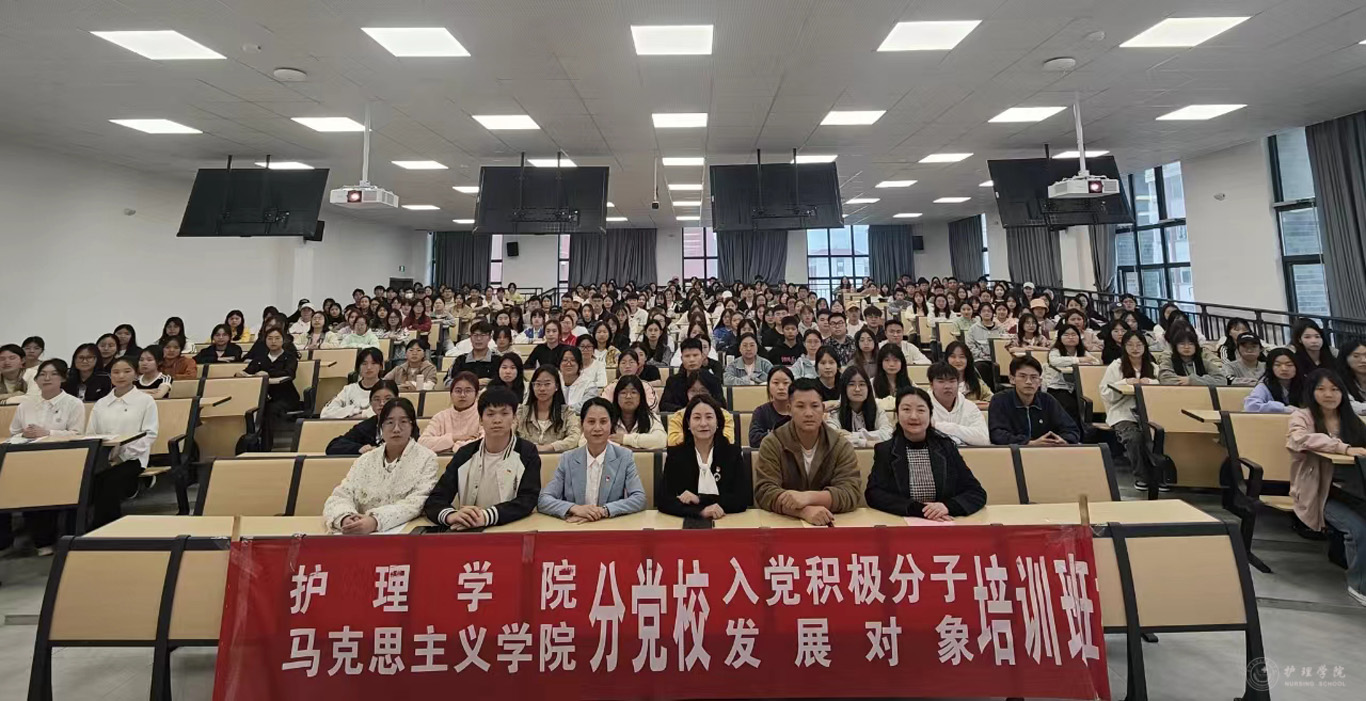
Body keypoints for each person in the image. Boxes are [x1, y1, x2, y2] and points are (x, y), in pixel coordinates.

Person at [1286, 369, 1366, 604]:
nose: (1328, 394)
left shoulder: (1351, 420)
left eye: (1335, 389)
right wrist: (1343, 448)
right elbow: (1299, 439)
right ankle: (1359, 585)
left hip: (1354, 490)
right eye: (1321, 389)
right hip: (1319, 491)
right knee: (1358, 530)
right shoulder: (1302, 417)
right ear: (1311, 392)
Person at [421, 387, 541, 531]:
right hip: (469, 531)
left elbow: (528, 500)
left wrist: (486, 516)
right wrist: (451, 515)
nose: (497, 420)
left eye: (504, 413)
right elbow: (436, 499)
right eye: (490, 414)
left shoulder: (527, 452)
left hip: (512, 529)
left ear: (515, 418)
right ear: (480, 420)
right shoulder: (465, 454)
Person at [865, 386, 987, 521]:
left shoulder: (946, 447)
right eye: (906, 409)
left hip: (945, 522)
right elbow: (874, 494)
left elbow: (976, 492)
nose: (913, 416)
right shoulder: (885, 450)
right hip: (902, 522)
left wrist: (947, 506)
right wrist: (918, 509)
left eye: (921, 410)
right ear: (897, 414)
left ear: (930, 414)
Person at [753, 378, 862, 525]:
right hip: (784, 524)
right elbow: (765, 492)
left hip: (832, 522)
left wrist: (809, 497)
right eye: (800, 406)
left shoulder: (839, 444)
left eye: (815, 406)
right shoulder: (773, 443)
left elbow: (850, 492)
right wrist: (803, 511)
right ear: (789, 409)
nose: (809, 413)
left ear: (823, 409)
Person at [322, 398, 439, 534]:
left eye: (403, 422)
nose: (396, 429)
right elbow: (341, 495)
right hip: (359, 533)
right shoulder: (365, 460)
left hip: (404, 534)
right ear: (381, 427)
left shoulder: (427, 458)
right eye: (389, 422)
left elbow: (417, 502)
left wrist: (375, 521)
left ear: (412, 425)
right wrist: (346, 518)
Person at [537, 398, 646, 521]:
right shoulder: (568, 459)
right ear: (581, 425)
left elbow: (639, 498)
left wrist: (603, 511)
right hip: (574, 526)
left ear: (611, 425)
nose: (597, 428)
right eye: (591, 422)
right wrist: (575, 508)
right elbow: (544, 500)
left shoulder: (624, 457)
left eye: (603, 422)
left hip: (609, 525)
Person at [85, 357, 158, 527]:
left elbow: (149, 434)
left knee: (109, 482)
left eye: (127, 371)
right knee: (87, 481)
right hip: (102, 459)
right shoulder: (102, 403)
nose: (121, 376)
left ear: (136, 374)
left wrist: (122, 456)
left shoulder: (145, 401)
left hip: (133, 458)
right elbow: (91, 434)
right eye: (116, 372)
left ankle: (104, 528)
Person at [658, 394, 751, 520]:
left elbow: (742, 499)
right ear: (688, 423)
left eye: (709, 417)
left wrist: (700, 499)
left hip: (728, 521)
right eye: (697, 418)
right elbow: (664, 500)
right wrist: (700, 512)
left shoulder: (732, 453)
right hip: (687, 523)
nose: (703, 423)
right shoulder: (676, 455)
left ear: (717, 421)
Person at [1100, 331, 1160, 488]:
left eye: (1139, 345)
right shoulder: (1116, 366)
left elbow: (1164, 389)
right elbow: (1105, 393)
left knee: (1160, 435)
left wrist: (1151, 383)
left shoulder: (1153, 366)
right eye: (1130, 345)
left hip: (1150, 413)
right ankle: (1142, 477)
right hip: (1123, 412)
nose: (1135, 348)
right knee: (1134, 437)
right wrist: (1124, 383)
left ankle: (1161, 476)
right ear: (1124, 347)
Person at [988, 355, 1081, 446]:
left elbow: (1071, 429)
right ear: (1012, 379)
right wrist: (1029, 443)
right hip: (1014, 452)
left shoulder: (1048, 400)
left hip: (1047, 452)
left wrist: (1062, 440)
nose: (1028, 382)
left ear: (1040, 381)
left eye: (1033, 377)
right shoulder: (1000, 400)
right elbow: (996, 434)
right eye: (1022, 376)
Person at [236, 328, 300, 446]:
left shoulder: (289, 357)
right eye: (270, 338)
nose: (273, 341)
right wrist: (241, 374)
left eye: (277, 338)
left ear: (283, 340)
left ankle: (266, 446)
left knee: (268, 410)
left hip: (285, 397)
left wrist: (267, 375)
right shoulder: (260, 358)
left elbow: (289, 373)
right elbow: (248, 371)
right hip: (262, 397)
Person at [516, 366, 582, 452]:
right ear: (532, 386)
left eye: (547, 384)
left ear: (556, 386)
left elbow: (575, 438)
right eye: (538, 384)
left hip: (556, 458)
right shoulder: (521, 412)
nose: (542, 389)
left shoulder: (567, 413)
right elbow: (509, 437)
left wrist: (550, 447)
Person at [925, 361, 990, 446]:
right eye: (941, 381)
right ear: (931, 385)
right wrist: (963, 436)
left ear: (958, 383)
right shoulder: (923, 407)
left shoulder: (970, 407)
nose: (947, 386)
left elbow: (984, 440)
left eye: (952, 381)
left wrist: (945, 427)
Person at [324, 381, 399, 455]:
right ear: (370, 402)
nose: (382, 403)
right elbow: (333, 446)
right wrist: (359, 448)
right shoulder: (366, 427)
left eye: (388, 399)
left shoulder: (404, 424)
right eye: (377, 399)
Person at [826, 366, 893, 448]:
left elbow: (887, 434)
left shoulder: (877, 409)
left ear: (868, 388)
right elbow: (833, 437)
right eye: (852, 384)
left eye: (862, 384)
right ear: (844, 388)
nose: (857, 389)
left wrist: (854, 436)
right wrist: (865, 443)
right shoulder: (835, 411)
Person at [418, 372, 483, 453]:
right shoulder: (440, 417)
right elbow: (422, 443)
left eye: (468, 391)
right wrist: (454, 438)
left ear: (476, 394)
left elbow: (484, 443)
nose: (462, 395)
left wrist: (454, 446)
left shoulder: (483, 415)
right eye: (458, 391)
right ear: (451, 394)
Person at [1045, 325, 1099, 419]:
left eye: (1074, 335)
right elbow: (1054, 361)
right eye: (1066, 335)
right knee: (1070, 406)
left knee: (1091, 403)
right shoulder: (1056, 351)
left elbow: (1095, 362)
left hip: (1078, 388)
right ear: (1060, 338)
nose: (1070, 337)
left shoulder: (1082, 351)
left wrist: (1085, 361)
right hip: (1059, 387)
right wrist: (1079, 360)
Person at [665, 371, 734, 445]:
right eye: (693, 391)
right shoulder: (678, 416)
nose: (698, 395)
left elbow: (728, 439)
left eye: (703, 391)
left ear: (711, 393)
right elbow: (672, 441)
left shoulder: (724, 415)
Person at [601, 375, 667, 449]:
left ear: (641, 396)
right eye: (623, 392)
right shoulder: (607, 418)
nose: (628, 396)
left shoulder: (650, 417)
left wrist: (625, 439)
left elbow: (661, 440)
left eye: (633, 392)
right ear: (616, 397)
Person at [1158, 328, 1224, 386]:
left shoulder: (1205, 363)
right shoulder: (1168, 362)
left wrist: (1193, 381)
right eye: (1182, 344)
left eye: (1191, 344)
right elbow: (1165, 379)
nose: (1187, 347)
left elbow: (1222, 381)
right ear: (1176, 346)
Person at [1244, 348, 1302, 413]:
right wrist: (1283, 409)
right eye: (1277, 365)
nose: (1284, 369)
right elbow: (1251, 407)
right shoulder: (1264, 385)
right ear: (1270, 367)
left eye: (1289, 365)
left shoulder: (1305, 383)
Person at [750, 367, 794, 448]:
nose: (781, 387)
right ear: (768, 386)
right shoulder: (761, 412)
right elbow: (754, 440)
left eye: (786, 383)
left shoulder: (799, 410)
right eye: (776, 383)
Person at [556, 345, 602, 412]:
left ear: (579, 364)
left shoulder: (589, 385)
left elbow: (586, 407)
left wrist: (564, 409)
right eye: (565, 360)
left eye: (573, 360)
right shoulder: (553, 382)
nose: (568, 364)